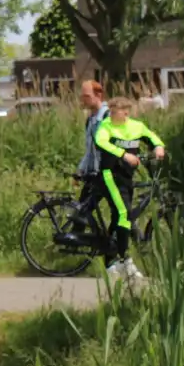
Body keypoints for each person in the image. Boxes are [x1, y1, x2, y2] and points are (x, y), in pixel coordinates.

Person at [92, 96, 165, 280]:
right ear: (112, 111)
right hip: (110, 175)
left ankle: (110, 260)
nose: (124, 114)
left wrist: (158, 147)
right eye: (120, 110)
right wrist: (124, 155)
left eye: (126, 110)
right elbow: (101, 142)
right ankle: (125, 260)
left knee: (119, 216)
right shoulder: (106, 127)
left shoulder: (135, 126)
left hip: (126, 178)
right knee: (124, 213)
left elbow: (152, 137)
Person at [68, 80, 110, 231]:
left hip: (106, 173)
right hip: (93, 174)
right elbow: (90, 150)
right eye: (82, 96)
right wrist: (81, 170)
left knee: (120, 211)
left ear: (98, 95)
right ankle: (73, 245)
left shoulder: (107, 117)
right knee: (81, 209)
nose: (83, 100)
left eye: (86, 96)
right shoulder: (90, 120)